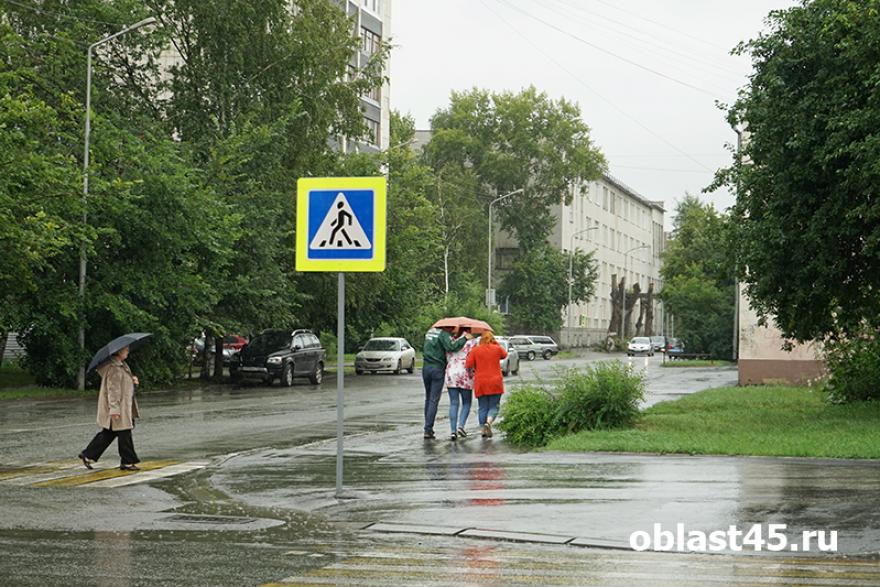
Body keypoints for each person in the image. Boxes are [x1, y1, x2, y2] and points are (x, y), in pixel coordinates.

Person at [78, 346, 141, 471]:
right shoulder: (114, 368)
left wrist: (132, 381)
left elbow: (123, 384)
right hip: (118, 407)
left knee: (109, 433)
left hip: (122, 406)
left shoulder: (122, 365)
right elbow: (113, 391)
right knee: (124, 433)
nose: (128, 351)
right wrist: (114, 409)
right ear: (119, 352)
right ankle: (127, 461)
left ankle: (88, 454)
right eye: (126, 350)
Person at [422, 326, 472, 439]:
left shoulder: (429, 332)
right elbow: (451, 347)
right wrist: (464, 339)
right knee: (434, 400)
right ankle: (428, 429)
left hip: (426, 367)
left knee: (428, 398)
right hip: (437, 368)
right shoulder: (443, 334)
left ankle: (427, 428)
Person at [465, 331, 507, 438]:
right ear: (492, 339)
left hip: (481, 382)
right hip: (495, 381)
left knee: (482, 407)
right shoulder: (496, 349)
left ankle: (483, 429)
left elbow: (468, 364)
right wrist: (495, 342)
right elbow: (504, 355)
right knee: (494, 406)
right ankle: (488, 422)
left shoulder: (475, 350)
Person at [444, 329, 479, 441]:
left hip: (451, 372)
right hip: (465, 372)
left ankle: (453, 431)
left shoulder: (451, 339)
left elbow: (448, 356)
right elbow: (474, 358)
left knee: (454, 403)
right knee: (467, 402)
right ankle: (461, 426)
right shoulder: (472, 341)